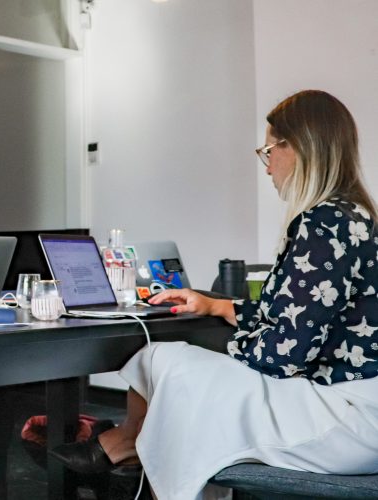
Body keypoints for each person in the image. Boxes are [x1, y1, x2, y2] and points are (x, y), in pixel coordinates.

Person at [49, 90, 378, 499]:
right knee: (170, 368)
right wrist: (216, 305)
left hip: (342, 420)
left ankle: (124, 446)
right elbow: (301, 312)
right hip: (359, 406)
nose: (267, 167)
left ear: (297, 147)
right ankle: (125, 446)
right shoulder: (355, 215)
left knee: (167, 359)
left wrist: (227, 348)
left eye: (268, 150)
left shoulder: (321, 223)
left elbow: (282, 355)